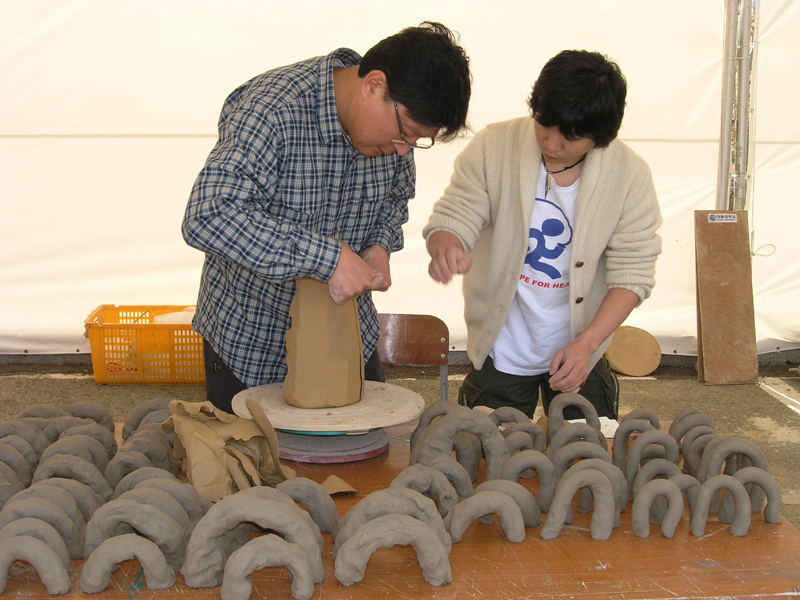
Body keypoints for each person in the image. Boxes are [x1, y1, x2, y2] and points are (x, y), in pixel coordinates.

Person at [182, 22, 472, 413]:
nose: (405, 151)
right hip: (251, 344)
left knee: (364, 448)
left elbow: (395, 197)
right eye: (407, 133)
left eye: (418, 141)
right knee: (257, 452)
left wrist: (378, 245)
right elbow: (208, 214)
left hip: (349, 337)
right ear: (373, 85)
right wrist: (330, 259)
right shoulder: (272, 111)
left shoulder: (394, 136)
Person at [423, 50, 662, 422]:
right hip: (502, 347)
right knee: (489, 448)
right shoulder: (494, 145)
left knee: (585, 449)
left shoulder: (629, 174)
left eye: (570, 137)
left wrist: (587, 344)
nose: (551, 144)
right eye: (544, 125)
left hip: (583, 348)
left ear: (600, 138)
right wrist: (446, 243)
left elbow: (633, 272)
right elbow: (456, 212)